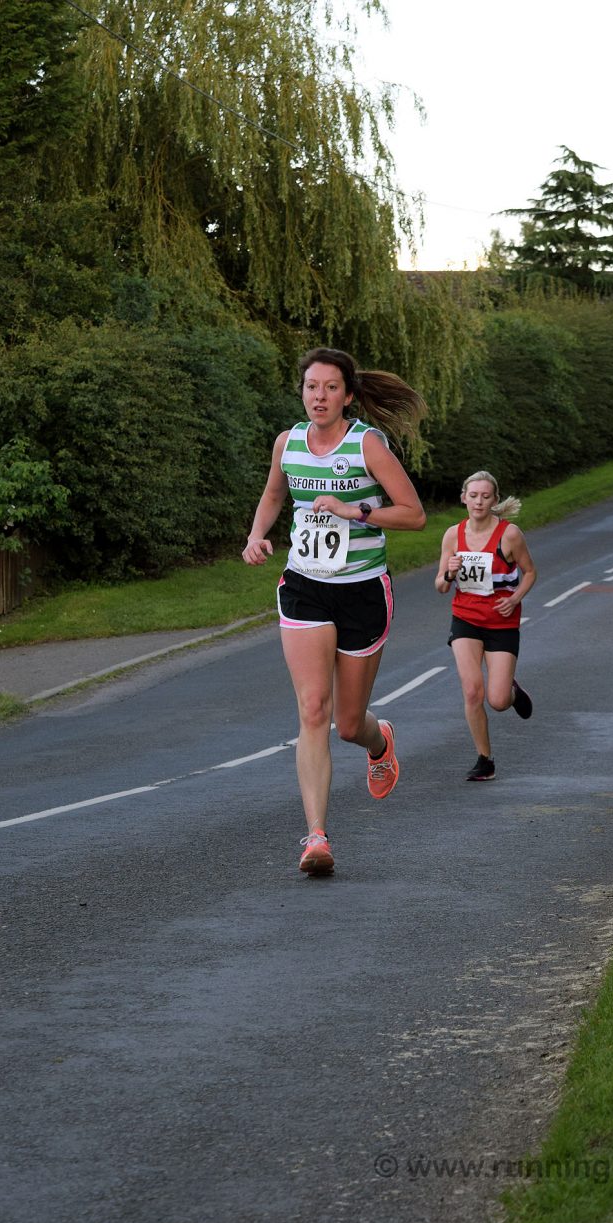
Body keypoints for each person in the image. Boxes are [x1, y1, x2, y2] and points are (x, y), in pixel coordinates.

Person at [242, 346, 427, 875]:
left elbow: (413, 516)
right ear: (301, 392)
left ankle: (379, 738)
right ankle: (316, 837)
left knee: (347, 724)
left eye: (328, 388)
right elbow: (275, 496)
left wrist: (356, 509)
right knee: (313, 710)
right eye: (310, 387)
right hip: (305, 586)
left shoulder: (367, 444)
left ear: (347, 395)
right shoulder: (288, 443)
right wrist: (257, 536)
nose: (318, 396)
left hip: (363, 590)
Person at [435, 471, 537, 781]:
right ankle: (484, 758)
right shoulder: (453, 535)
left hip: (501, 622)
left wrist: (515, 598)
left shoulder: (509, 535)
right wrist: (450, 573)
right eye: (474, 495)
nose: (479, 501)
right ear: (463, 497)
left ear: (494, 500)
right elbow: (440, 585)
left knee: (497, 700)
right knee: (471, 692)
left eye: (486, 496)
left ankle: (511, 692)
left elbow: (530, 572)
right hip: (465, 618)